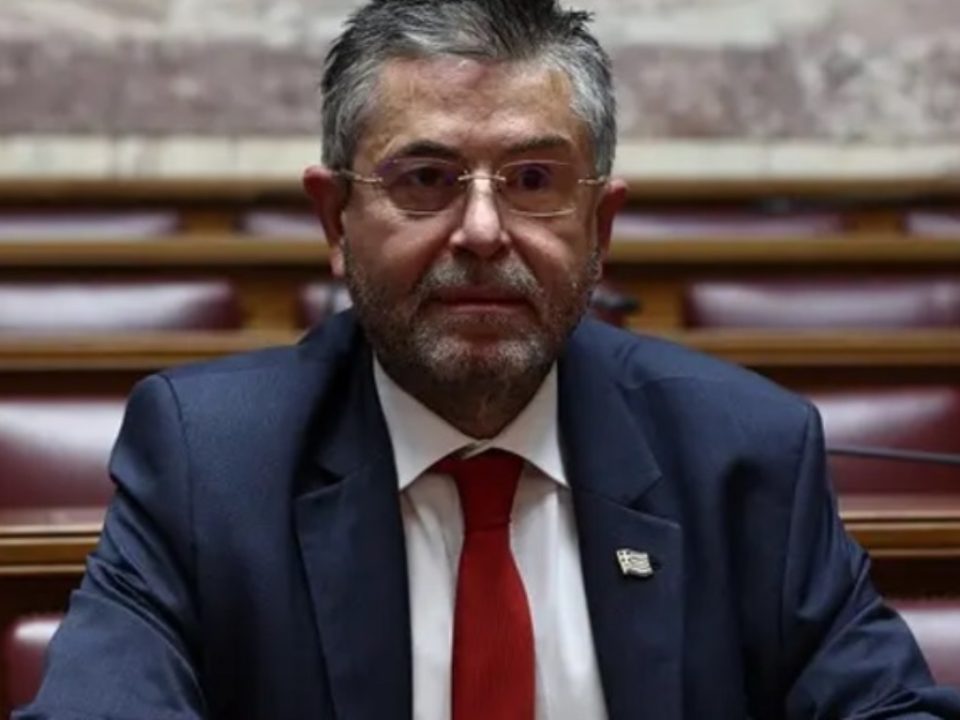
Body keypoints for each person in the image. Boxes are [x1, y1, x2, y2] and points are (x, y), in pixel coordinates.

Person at [16, 1, 960, 718]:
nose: (480, 230)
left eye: (534, 181)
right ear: (335, 221)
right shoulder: (210, 461)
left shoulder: (743, 452)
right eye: (426, 179)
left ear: (601, 227)